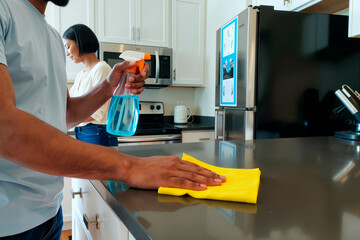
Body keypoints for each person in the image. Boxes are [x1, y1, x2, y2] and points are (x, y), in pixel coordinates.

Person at [0, 0, 226, 239]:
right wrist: (131, 166)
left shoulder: (53, 38)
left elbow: (64, 114)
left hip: (49, 214)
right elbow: (4, 128)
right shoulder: (5, 9)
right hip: (9, 222)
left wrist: (110, 86)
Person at [63, 24, 118, 146]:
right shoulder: (80, 75)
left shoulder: (101, 68)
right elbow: (71, 106)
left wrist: (68, 120)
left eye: (68, 47)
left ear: (80, 42)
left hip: (96, 133)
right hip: (81, 132)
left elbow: (97, 114)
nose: (67, 53)